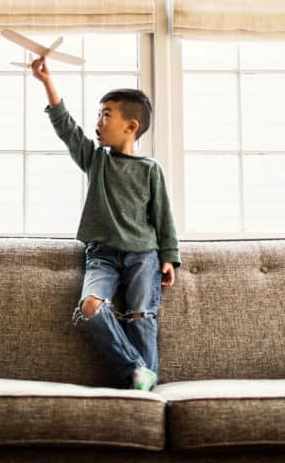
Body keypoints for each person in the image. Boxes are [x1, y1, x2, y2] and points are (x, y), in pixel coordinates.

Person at [31, 56, 180, 392]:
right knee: (90, 307)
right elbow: (67, 129)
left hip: (144, 255)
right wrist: (47, 82)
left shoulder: (150, 169)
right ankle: (139, 370)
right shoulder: (96, 160)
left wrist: (169, 257)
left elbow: (163, 217)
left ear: (131, 126)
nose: (97, 122)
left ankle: (143, 392)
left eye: (105, 115)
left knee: (142, 316)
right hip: (101, 254)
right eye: (98, 115)